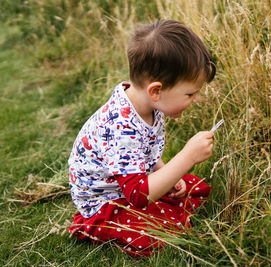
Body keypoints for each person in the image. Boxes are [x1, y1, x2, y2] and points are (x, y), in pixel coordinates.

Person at [67, 19, 216, 257]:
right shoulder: (120, 126)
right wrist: (187, 157)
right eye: (190, 93)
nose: (195, 99)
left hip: (128, 184)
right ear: (156, 90)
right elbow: (138, 196)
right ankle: (93, 227)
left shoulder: (147, 105)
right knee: (158, 235)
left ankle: (166, 213)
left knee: (195, 187)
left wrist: (166, 170)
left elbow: (144, 151)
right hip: (107, 203)